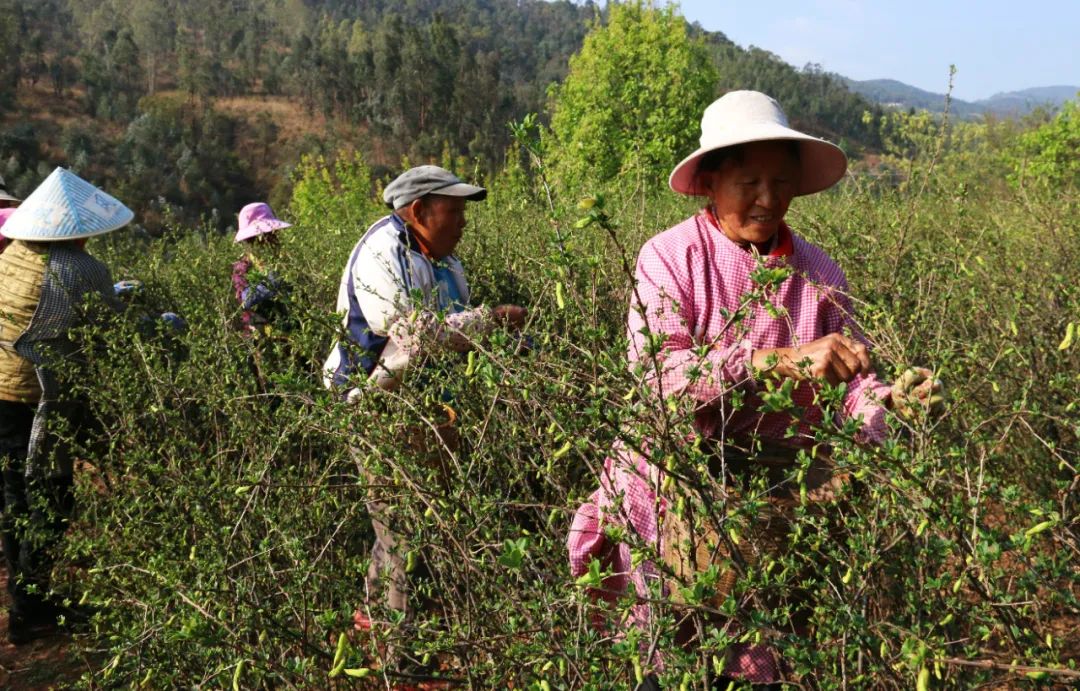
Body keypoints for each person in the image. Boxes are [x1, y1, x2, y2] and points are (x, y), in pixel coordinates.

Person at [567, 91, 943, 688]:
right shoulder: (670, 257)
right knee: (680, 653)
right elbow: (661, 378)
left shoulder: (819, 272)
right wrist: (778, 361)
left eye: (781, 181)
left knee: (767, 650)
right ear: (712, 182)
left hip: (781, 493)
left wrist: (887, 400)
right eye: (749, 181)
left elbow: (851, 381)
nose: (768, 199)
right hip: (683, 486)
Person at [324, 166, 526, 660]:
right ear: (418, 212)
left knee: (400, 523)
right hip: (374, 406)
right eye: (452, 210)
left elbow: (455, 335)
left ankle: (374, 617)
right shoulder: (383, 252)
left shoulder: (444, 261)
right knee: (401, 529)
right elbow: (416, 335)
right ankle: (401, 655)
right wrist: (490, 320)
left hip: (422, 408)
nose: (462, 222)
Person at [0, 167, 132, 644]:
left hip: (1, 393)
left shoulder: (13, 253)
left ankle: (24, 601)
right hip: (36, 399)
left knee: (16, 497)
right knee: (52, 499)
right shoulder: (80, 269)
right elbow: (110, 330)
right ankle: (31, 608)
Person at [231, 202, 293, 336]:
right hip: (266, 340)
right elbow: (246, 299)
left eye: (271, 235)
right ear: (249, 242)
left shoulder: (287, 259)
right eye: (259, 238)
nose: (268, 240)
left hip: (297, 333)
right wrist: (274, 278)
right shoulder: (243, 268)